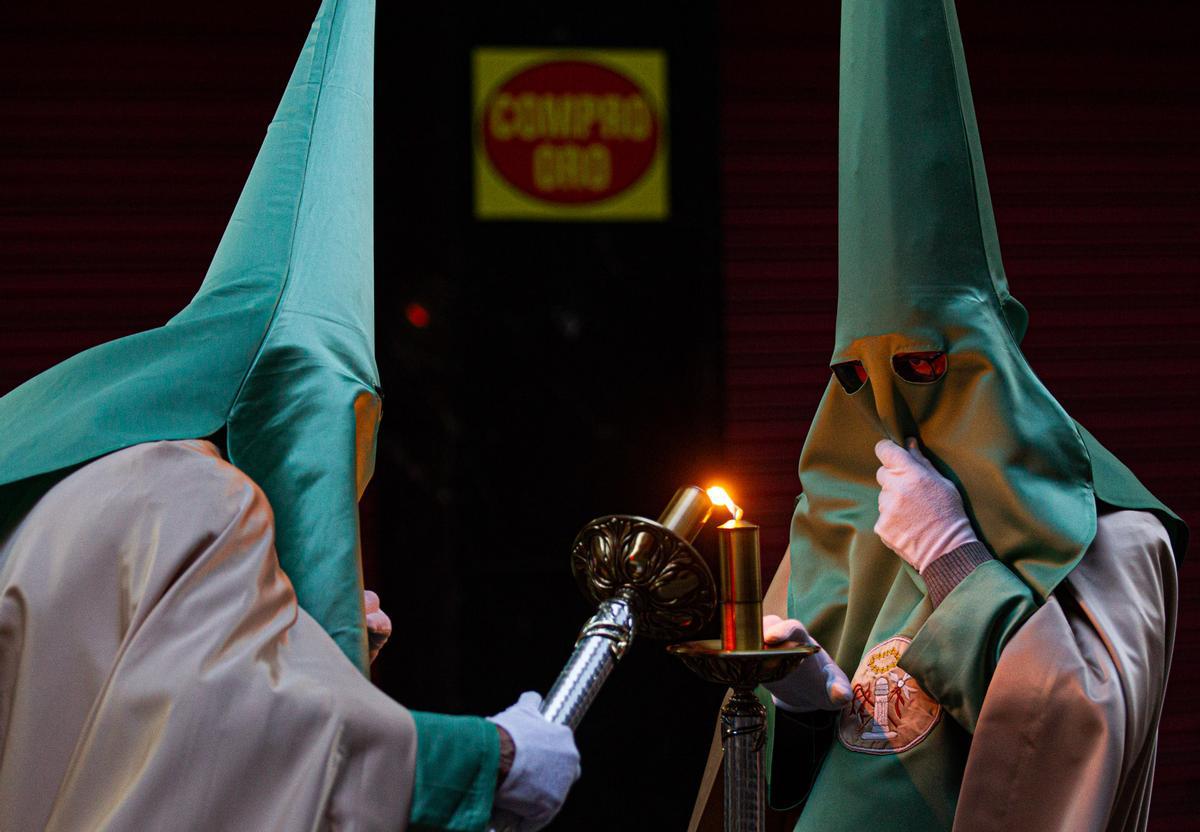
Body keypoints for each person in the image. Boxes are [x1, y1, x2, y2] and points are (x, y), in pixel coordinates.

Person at [0, 2, 577, 829]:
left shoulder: (81, 477)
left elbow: (104, 707)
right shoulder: (190, 496)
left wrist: (294, 634)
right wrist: (495, 757)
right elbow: (240, 747)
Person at [689, 1, 1185, 830]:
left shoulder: (1111, 532)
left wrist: (954, 561)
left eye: (923, 366)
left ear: (996, 353)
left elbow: (1078, 735)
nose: (889, 405)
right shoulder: (835, 525)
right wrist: (800, 706)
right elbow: (775, 784)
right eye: (855, 374)